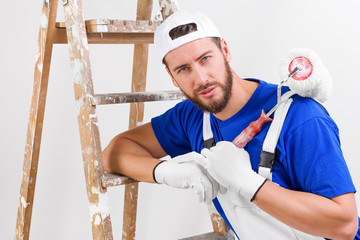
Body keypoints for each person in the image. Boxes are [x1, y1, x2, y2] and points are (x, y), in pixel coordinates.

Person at [102, 10, 360, 239]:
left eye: (205, 59)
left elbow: (345, 225)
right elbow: (115, 152)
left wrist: (251, 185)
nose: (201, 79)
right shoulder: (191, 117)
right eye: (183, 69)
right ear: (171, 76)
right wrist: (168, 172)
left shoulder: (300, 116)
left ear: (225, 50)